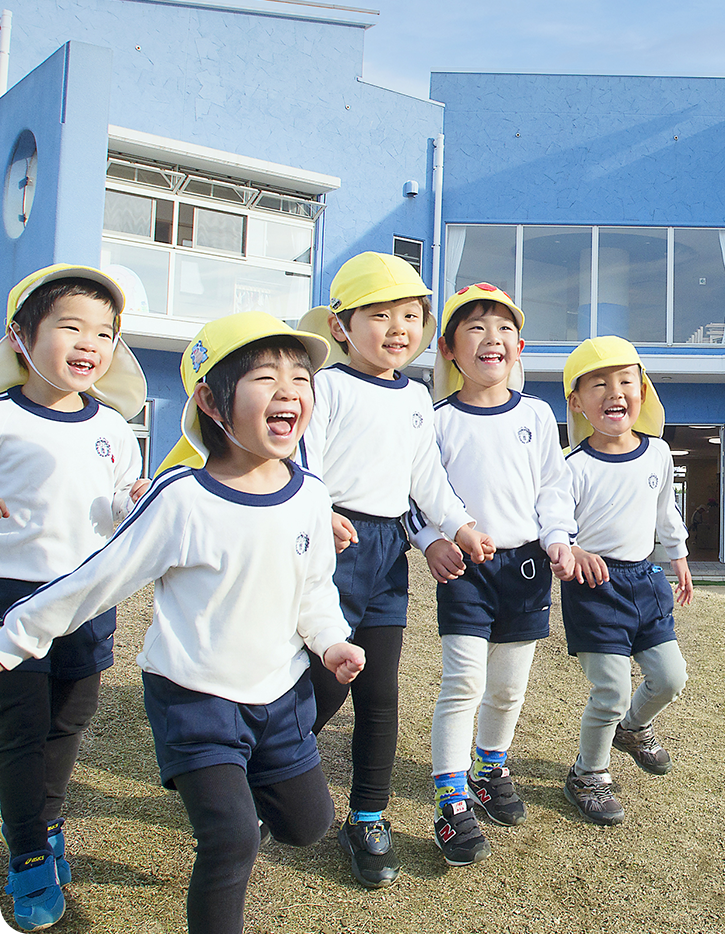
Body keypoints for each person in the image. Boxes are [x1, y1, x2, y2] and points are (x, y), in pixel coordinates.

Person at [0, 312, 365, 934]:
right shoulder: (181, 498)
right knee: (230, 844)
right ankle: (218, 808)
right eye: (264, 378)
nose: (289, 391)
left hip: (280, 696)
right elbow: (98, 580)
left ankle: (236, 800)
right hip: (194, 697)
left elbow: (313, 589)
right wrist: (15, 637)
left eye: (301, 378)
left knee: (309, 826)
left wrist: (331, 642)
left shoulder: (309, 493)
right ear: (211, 402)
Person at [299, 252, 494, 889]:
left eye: (411, 316)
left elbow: (426, 479)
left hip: (387, 555)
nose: (398, 328)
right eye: (379, 316)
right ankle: (272, 771)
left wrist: (461, 527)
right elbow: (305, 462)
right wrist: (319, 510)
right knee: (324, 685)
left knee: (380, 693)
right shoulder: (324, 385)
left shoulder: (416, 397)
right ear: (339, 326)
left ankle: (367, 816)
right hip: (334, 544)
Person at [0, 263, 148, 931]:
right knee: (21, 733)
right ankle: (29, 857)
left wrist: (134, 500)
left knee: (70, 720)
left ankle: (47, 822)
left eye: (105, 333)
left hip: (88, 600)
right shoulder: (3, 420)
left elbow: (118, 501)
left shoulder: (114, 427)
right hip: (13, 600)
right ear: (21, 335)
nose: (91, 342)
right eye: (71, 326)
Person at [407, 284, 576, 866]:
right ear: (451, 349)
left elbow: (554, 490)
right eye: (475, 328)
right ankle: (450, 799)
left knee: (508, 688)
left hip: (527, 567)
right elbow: (416, 496)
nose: (491, 339)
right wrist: (431, 542)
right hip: (466, 570)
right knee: (462, 685)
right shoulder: (435, 421)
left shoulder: (536, 414)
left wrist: (558, 541)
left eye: (503, 329)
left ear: (520, 346)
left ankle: (489, 767)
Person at [558, 336, 692, 827]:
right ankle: (587, 774)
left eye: (625, 382)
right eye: (599, 385)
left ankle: (633, 729)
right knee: (610, 690)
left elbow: (664, 511)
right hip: (594, 588)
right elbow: (553, 521)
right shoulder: (571, 465)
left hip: (645, 581)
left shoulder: (657, 452)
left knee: (670, 677)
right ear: (578, 403)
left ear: (642, 390)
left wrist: (676, 555)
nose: (615, 393)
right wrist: (569, 549)